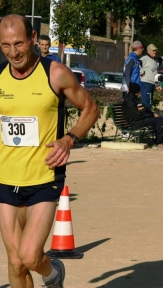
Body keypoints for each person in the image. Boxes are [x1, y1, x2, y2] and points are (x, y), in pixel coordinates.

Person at [0, 14, 99, 287]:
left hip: (44, 177)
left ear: (33, 38)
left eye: (19, 43)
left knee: (30, 256)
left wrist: (69, 139)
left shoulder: (54, 73)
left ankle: (53, 273)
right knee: (15, 261)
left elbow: (90, 108)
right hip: (6, 178)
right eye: (5, 45)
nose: (13, 51)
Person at [122, 82, 163, 151]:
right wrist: (151, 115)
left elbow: (144, 109)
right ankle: (159, 143)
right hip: (135, 122)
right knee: (160, 121)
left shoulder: (136, 99)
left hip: (142, 119)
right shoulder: (129, 101)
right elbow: (136, 115)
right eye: (139, 90)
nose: (140, 92)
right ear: (136, 91)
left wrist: (152, 113)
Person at [140, 43, 161, 111]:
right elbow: (137, 63)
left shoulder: (155, 60)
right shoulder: (145, 58)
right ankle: (147, 117)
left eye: (155, 50)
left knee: (150, 102)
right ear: (148, 51)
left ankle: (148, 116)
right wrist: (142, 71)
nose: (155, 52)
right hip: (146, 83)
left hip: (152, 84)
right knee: (146, 102)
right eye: (153, 50)